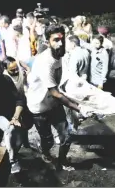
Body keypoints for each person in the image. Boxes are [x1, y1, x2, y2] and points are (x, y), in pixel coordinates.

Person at [26, 24, 92, 169]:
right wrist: (79, 107)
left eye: (62, 39)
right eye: (55, 40)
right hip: (39, 107)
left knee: (66, 137)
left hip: (54, 104)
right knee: (48, 140)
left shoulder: (62, 55)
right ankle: (45, 152)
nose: (60, 43)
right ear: (47, 42)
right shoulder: (45, 62)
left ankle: (62, 162)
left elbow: (67, 79)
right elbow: (55, 93)